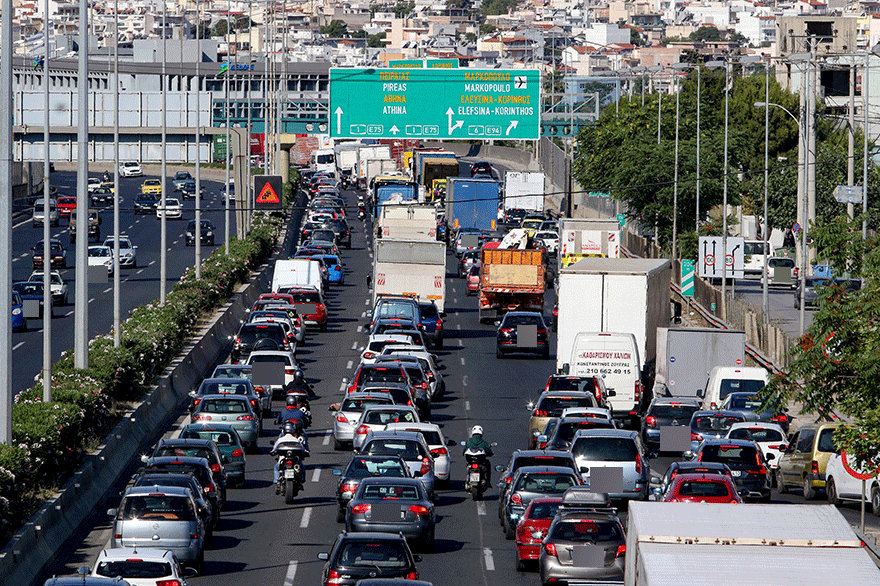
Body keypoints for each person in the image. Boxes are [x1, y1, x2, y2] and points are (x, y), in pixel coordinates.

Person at [271, 420, 309, 491]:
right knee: (302, 467)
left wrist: (273, 452)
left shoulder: (280, 440)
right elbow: (303, 449)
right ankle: (301, 480)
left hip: (283, 460)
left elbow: (274, 449)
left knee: (276, 468)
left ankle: (277, 482)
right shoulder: (296, 440)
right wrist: (305, 452)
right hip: (294, 460)